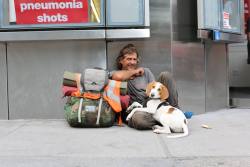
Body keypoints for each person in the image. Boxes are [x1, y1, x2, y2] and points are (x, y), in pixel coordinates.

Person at [111, 43, 180, 130]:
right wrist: (135, 72)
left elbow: (157, 91)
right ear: (121, 60)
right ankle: (166, 121)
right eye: (129, 59)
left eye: (134, 59)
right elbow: (117, 76)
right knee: (139, 120)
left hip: (154, 105)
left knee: (165, 75)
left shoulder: (145, 72)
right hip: (138, 111)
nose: (132, 62)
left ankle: (175, 112)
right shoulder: (116, 73)